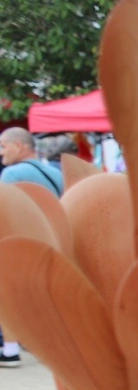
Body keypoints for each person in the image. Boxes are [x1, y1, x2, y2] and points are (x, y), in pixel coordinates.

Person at [0, 128, 64, 367]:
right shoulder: (56, 173)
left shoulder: (11, 173)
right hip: (49, 243)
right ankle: (41, 344)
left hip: (17, 242)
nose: (1, 152)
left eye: (4, 146)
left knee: (6, 296)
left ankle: (10, 350)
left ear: (19, 146)